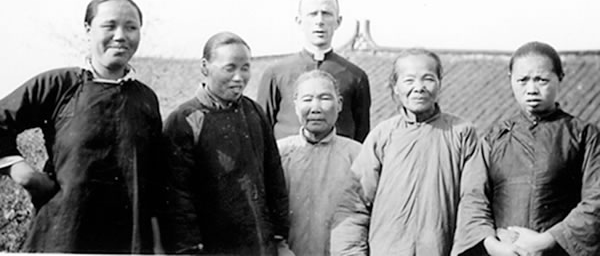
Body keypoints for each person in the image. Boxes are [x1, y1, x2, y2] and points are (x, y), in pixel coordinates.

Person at [0, 0, 164, 253]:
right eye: (109, 26)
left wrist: (157, 246)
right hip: (63, 236)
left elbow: (154, 177)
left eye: (131, 27)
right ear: (88, 30)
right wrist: (22, 171)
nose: (121, 36)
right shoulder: (59, 85)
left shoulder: (145, 98)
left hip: (128, 242)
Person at [451, 41, 600, 256]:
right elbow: (474, 198)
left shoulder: (584, 135)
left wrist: (547, 240)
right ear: (510, 79)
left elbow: (596, 199)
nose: (531, 90)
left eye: (541, 80)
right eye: (523, 80)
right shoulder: (494, 138)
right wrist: (493, 245)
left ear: (560, 78)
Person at [330, 48, 480, 256]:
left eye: (428, 79)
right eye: (409, 80)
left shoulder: (462, 134)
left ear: (440, 84)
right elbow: (354, 205)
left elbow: (473, 202)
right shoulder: (382, 136)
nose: (419, 88)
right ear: (395, 87)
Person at [160, 32, 290, 255]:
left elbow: (273, 176)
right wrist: (188, 247)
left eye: (245, 68)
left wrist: (278, 236)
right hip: (211, 245)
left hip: (259, 243)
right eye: (230, 68)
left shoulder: (255, 112)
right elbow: (177, 196)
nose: (239, 77)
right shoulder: (184, 120)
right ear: (205, 67)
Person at [257, 0, 371, 142]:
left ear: (338, 21)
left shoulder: (355, 76)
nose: (319, 21)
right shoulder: (276, 73)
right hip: (287, 160)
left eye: (326, 14)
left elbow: (362, 134)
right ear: (299, 21)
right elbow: (260, 131)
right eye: (312, 14)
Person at [278, 70, 361, 256]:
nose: (316, 108)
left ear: (339, 104)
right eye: (307, 100)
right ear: (296, 105)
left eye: (324, 98)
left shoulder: (358, 155)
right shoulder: (279, 154)